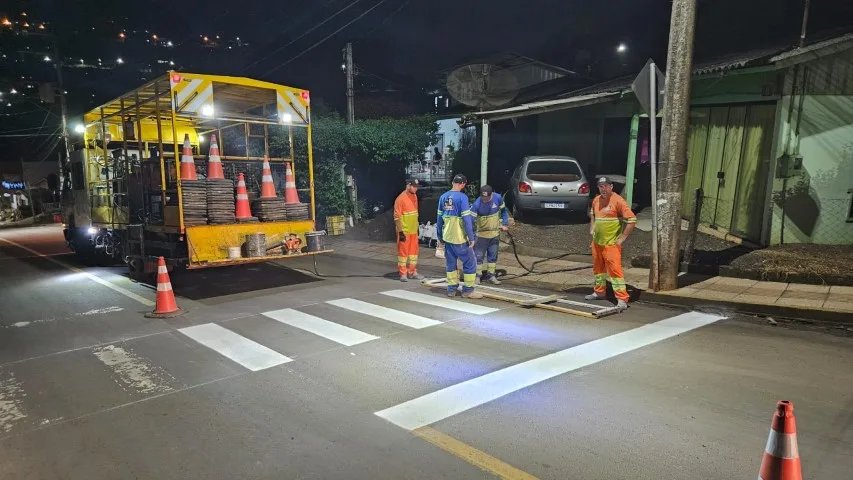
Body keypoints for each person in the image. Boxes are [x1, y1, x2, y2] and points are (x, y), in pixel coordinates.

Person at [586, 176, 637, 310]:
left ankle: (622, 299)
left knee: (615, 272)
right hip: (597, 243)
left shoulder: (618, 200)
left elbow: (632, 220)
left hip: (611, 244)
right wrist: (592, 228)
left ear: (611, 187)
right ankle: (599, 292)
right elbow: (593, 214)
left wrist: (622, 238)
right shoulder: (596, 200)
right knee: (598, 269)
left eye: (606, 186)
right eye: (601, 186)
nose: (603, 189)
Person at [436, 174, 482, 298]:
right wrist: (471, 238)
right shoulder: (462, 198)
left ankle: (451, 289)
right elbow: (467, 220)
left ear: (452, 182)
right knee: (470, 262)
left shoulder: (443, 197)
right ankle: (468, 290)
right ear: (462, 184)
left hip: (447, 237)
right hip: (459, 237)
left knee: (451, 263)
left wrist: (440, 237)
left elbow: (439, 219)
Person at [471, 184, 509, 285]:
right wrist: (470, 236)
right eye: (483, 197)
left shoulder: (498, 198)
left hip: (494, 234)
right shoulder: (476, 205)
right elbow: (470, 221)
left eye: (487, 198)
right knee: (479, 257)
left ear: (491, 194)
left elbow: (504, 211)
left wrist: (505, 224)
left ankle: (491, 276)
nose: (484, 200)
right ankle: (477, 276)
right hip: (481, 236)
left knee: (493, 256)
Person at [394, 178, 423, 282]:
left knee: (413, 254)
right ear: (408, 185)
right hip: (405, 231)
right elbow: (397, 217)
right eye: (414, 186)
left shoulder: (414, 196)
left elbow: (415, 213)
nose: (416, 189)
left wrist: (417, 227)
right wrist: (400, 231)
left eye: (417, 187)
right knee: (403, 254)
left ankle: (412, 272)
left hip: (413, 231)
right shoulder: (400, 199)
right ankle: (403, 274)